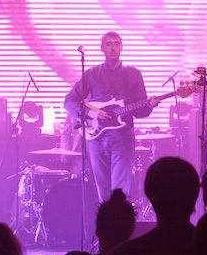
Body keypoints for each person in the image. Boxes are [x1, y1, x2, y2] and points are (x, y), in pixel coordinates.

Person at [63, 31, 158, 202]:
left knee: (120, 191)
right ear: (102, 48)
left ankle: (119, 224)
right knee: (102, 188)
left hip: (123, 138)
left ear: (122, 47)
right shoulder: (92, 74)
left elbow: (140, 111)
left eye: (116, 43)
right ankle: (106, 225)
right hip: (96, 138)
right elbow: (69, 101)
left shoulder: (133, 74)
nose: (113, 47)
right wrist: (92, 112)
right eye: (109, 44)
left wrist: (149, 105)